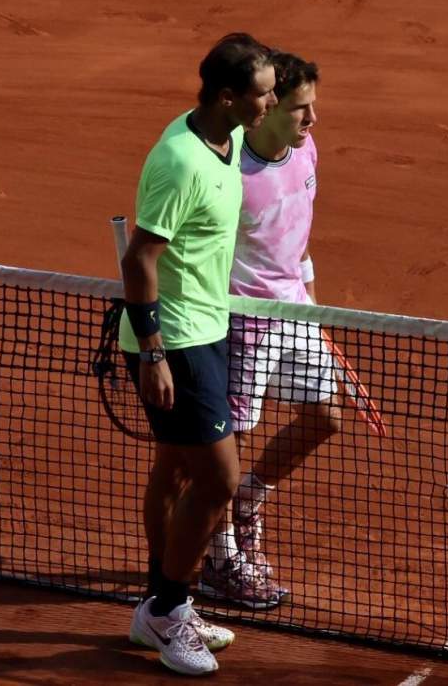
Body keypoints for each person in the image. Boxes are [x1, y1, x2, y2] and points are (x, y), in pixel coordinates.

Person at [118, 33, 277, 675]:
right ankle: (165, 612)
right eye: (263, 94)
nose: (269, 103)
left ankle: (165, 608)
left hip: (210, 330)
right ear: (229, 96)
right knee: (217, 478)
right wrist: (152, 351)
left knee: (182, 473)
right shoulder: (181, 161)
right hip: (175, 342)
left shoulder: (228, 136)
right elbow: (139, 258)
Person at [196, 52, 342, 609]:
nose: (312, 120)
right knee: (226, 443)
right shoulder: (230, 172)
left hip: (296, 307)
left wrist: (311, 293)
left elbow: (297, 231)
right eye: (301, 108)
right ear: (269, 108)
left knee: (325, 417)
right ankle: (220, 558)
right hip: (243, 319)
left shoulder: (306, 149)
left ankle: (248, 501)